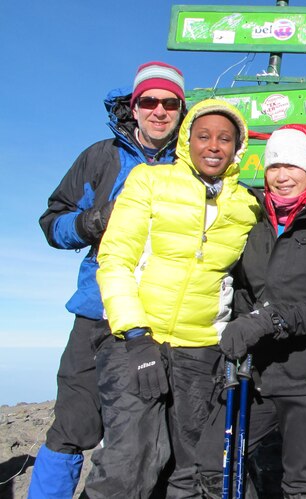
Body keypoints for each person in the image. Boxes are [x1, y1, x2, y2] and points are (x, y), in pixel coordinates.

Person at [87, 99, 261, 498]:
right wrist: (135, 335)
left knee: (192, 468)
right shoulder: (149, 181)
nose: (213, 146)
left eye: (224, 139)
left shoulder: (247, 205)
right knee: (127, 463)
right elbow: (115, 260)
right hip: (135, 340)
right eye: (203, 136)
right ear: (186, 140)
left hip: (201, 348)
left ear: (237, 148)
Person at [32, 61, 186, 498]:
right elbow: (52, 225)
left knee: (146, 438)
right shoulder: (101, 157)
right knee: (72, 427)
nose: (159, 111)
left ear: (181, 110)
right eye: (149, 101)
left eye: (170, 103)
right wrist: (96, 220)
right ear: (133, 107)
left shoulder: (190, 163)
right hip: (96, 312)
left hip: (157, 321)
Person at [196, 124, 306, 498]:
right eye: (274, 166)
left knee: (301, 485)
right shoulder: (255, 227)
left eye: (292, 166)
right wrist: (239, 330)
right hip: (256, 374)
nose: (282, 176)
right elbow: (244, 293)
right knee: (213, 464)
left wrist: (268, 321)